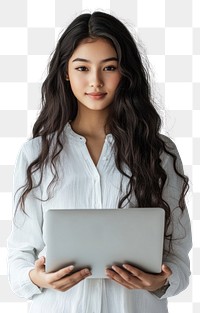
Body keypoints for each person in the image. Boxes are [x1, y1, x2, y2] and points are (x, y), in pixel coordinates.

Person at [7, 11, 192, 313]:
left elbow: (179, 259)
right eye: (82, 68)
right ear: (66, 72)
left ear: (125, 73)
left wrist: (157, 282)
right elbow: (18, 257)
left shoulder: (158, 151)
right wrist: (37, 277)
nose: (95, 81)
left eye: (109, 67)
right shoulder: (36, 153)